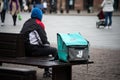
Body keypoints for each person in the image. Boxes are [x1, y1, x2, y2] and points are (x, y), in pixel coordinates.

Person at [20, 7, 58, 77]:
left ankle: (47, 71)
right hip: (33, 50)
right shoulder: (39, 23)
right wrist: (47, 45)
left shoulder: (27, 22)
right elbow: (44, 41)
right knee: (54, 50)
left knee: (45, 49)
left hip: (24, 51)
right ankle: (53, 71)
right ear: (40, 16)